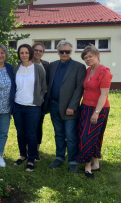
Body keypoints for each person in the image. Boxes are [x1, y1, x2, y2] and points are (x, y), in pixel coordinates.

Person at [44, 40, 86, 173]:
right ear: (57, 52)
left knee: (70, 134)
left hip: (69, 107)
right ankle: (59, 157)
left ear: (71, 52)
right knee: (59, 133)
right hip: (54, 104)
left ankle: (73, 161)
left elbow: (79, 88)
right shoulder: (52, 65)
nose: (64, 53)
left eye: (67, 51)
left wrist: (72, 106)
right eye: (61, 51)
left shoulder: (79, 67)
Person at [77, 45, 113, 179]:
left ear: (97, 55)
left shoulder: (104, 72)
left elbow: (104, 95)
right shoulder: (88, 71)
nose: (87, 59)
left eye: (90, 56)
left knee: (87, 136)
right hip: (85, 107)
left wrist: (96, 112)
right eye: (85, 58)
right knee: (94, 136)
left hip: (98, 108)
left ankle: (87, 167)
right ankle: (96, 163)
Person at [13, 44, 46, 172]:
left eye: (26, 52)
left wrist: (39, 99)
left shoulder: (38, 68)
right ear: (19, 55)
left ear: (30, 53)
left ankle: (31, 159)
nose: (24, 55)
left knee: (32, 134)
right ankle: (23, 155)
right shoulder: (16, 69)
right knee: (20, 132)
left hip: (33, 107)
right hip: (18, 105)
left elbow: (43, 87)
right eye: (22, 53)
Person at [31, 42, 49, 161]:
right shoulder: (25, 64)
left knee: (38, 125)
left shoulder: (46, 65)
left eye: (40, 51)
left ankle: (36, 150)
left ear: (43, 53)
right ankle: (27, 149)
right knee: (27, 126)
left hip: (41, 101)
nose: (38, 52)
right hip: (26, 100)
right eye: (36, 50)